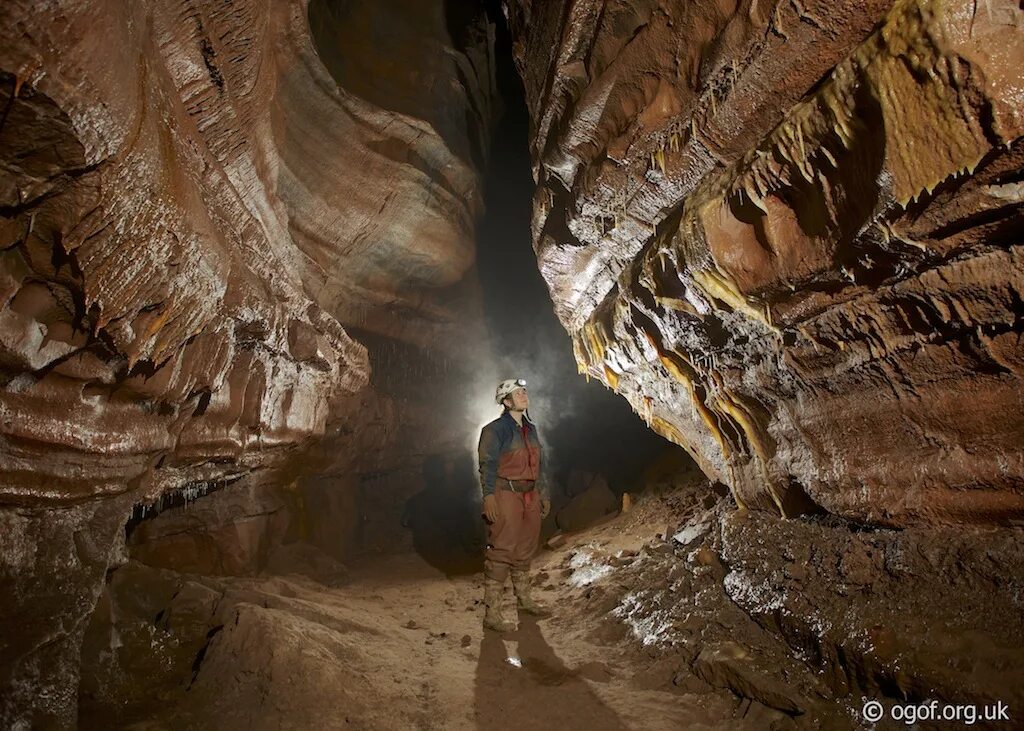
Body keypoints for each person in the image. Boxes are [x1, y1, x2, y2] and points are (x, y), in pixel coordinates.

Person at [477, 378, 551, 632]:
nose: (523, 394)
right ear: (506, 402)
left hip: (529, 495)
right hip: (505, 493)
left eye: (524, 391)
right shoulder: (494, 430)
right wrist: (488, 497)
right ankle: (493, 614)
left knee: (525, 548)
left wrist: (543, 492)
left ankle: (524, 601)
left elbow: (540, 464)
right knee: (502, 549)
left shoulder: (531, 430)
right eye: (517, 393)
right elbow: (487, 465)